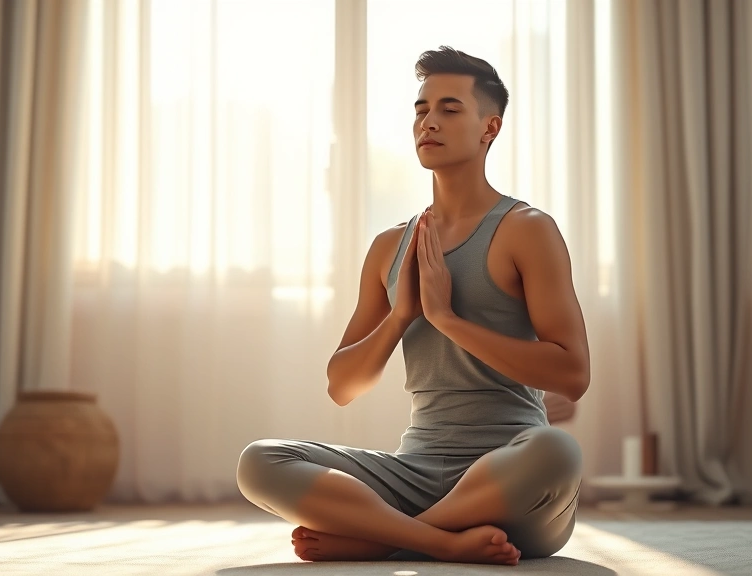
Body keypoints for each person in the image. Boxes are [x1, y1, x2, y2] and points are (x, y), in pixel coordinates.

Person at [237, 46, 590, 566]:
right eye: (421, 109)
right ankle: (442, 541)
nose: (429, 122)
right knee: (261, 461)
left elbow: (573, 374)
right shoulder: (390, 246)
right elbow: (341, 386)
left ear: (489, 127)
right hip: (414, 470)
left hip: (511, 475)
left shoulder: (527, 230)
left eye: (450, 109)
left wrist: (447, 319)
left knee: (557, 451)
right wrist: (402, 316)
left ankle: (385, 539)